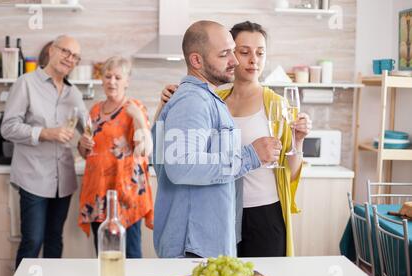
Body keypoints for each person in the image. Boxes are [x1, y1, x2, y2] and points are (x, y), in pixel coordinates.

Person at [157, 21, 312, 257]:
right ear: (198, 60)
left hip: (254, 215)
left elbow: (286, 172)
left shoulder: (273, 105)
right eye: (234, 52)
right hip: (211, 225)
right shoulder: (202, 99)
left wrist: (298, 143)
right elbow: (179, 165)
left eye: (260, 53)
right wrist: (166, 106)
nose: (244, 60)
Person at [1, 35, 87, 268]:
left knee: (54, 240)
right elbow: (8, 128)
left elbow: (89, 130)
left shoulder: (74, 93)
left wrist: (87, 141)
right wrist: (46, 133)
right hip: (33, 177)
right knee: (32, 240)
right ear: (52, 50)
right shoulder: (26, 83)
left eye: (76, 57)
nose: (70, 59)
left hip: (64, 180)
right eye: (66, 52)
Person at [77, 56, 154, 258]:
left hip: (125, 196)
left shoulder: (134, 108)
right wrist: (81, 145)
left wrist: (138, 117)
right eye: (108, 76)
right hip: (97, 194)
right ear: (101, 79)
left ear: (127, 81)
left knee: (130, 256)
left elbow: (144, 149)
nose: (112, 81)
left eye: (118, 77)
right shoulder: (94, 110)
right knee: (104, 253)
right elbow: (87, 152)